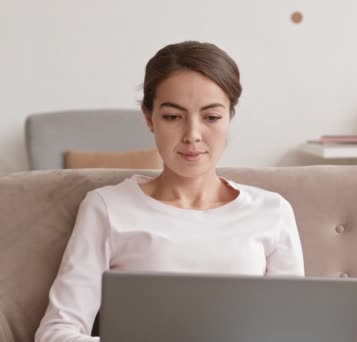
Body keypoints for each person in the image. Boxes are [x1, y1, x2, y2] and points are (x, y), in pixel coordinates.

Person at [35, 41, 305, 342]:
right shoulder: (107, 208)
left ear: (229, 117)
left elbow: (291, 332)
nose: (192, 135)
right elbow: (57, 333)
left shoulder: (272, 211)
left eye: (211, 117)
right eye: (173, 117)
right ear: (149, 118)